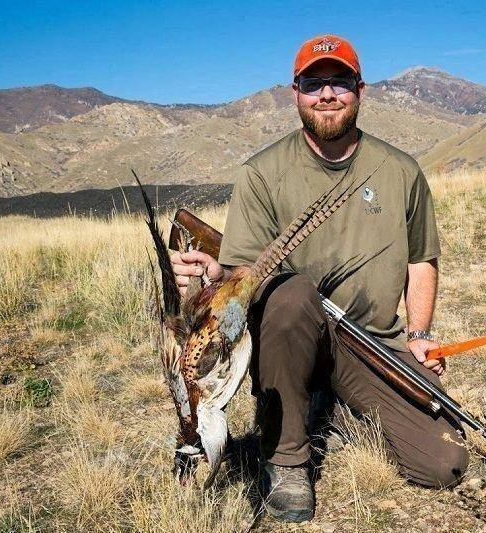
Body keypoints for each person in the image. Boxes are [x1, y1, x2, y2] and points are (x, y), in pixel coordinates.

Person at [170, 34, 468, 522]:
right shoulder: (262, 173)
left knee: (445, 464)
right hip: (290, 335)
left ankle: (336, 396)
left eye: (339, 82)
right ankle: (287, 458)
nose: (327, 94)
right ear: (296, 93)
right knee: (293, 295)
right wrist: (214, 275)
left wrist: (418, 335)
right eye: (314, 83)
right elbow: (243, 272)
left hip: (373, 342)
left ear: (360, 89)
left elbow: (421, 259)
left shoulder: (401, 171)